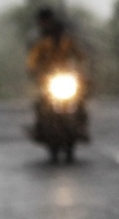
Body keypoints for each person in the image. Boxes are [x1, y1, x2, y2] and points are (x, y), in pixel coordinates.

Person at [26, 7, 89, 140]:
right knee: (40, 102)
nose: (45, 24)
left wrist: (82, 68)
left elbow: (79, 54)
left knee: (80, 99)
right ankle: (39, 126)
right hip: (47, 77)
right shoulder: (40, 40)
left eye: (46, 21)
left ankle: (81, 126)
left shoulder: (67, 38)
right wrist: (33, 70)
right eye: (42, 22)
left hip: (67, 75)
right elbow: (33, 58)